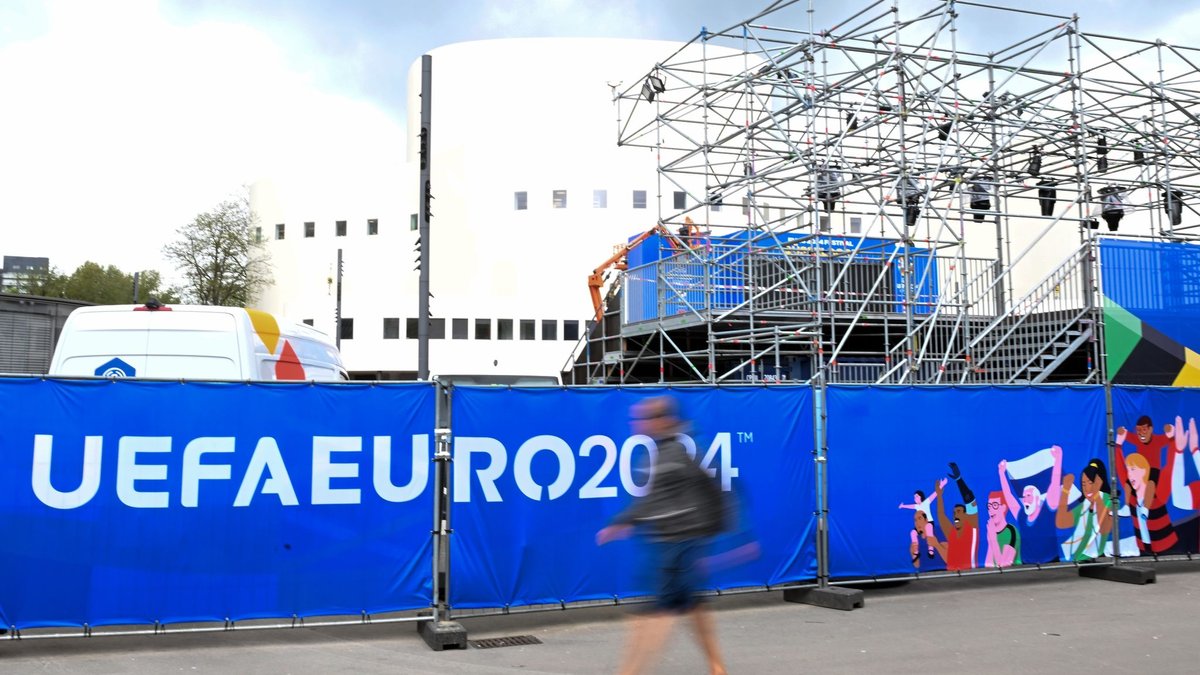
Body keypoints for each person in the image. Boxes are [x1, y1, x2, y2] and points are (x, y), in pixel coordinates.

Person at [596, 395, 728, 675]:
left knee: (655, 613)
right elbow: (657, 500)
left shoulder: (671, 455)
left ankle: (629, 672)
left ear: (662, 421)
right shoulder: (665, 451)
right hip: (680, 541)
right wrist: (625, 522)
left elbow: (658, 501)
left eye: (642, 418)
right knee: (691, 606)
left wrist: (622, 522)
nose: (636, 424)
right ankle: (717, 667)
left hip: (676, 543)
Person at [1055, 459, 1113, 561]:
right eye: (1083, 484)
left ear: (1099, 482)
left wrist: (1097, 496)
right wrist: (1065, 491)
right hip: (1078, 557)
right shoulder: (1085, 505)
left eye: (1090, 483)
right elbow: (1061, 523)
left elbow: (1105, 529)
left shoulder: (1109, 500)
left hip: (1101, 556)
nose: (1087, 489)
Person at [929, 464, 979, 571]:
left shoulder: (972, 527)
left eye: (959, 512)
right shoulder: (952, 533)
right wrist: (939, 495)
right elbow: (941, 516)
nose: (955, 514)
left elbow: (970, 500)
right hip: (952, 577)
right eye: (954, 512)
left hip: (970, 575)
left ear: (966, 515)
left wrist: (958, 479)